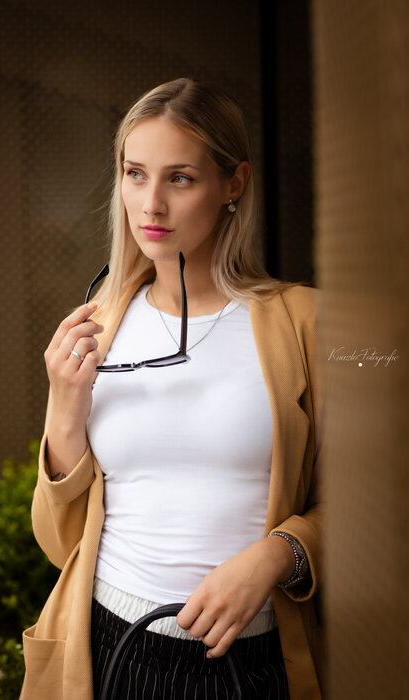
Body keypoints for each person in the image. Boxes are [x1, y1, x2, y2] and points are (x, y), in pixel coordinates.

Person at [20, 77, 323, 700]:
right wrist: (65, 405)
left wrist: (277, 555)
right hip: (109, 651)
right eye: (135, 174)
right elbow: (60, 544)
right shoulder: (98, 327)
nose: (151, 205)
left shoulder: (307, 323)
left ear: (234, 183)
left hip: (254, 660)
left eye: (180, 178)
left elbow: (375, 503)